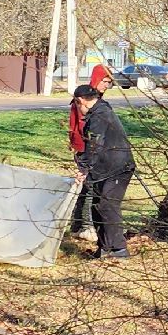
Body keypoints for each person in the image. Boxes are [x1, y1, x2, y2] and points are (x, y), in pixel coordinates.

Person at [73, 83, 135, 260]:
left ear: (81, 101)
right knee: (97, 205)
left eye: (76, 104)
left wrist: (84, 167)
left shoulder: (100, 115)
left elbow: (95, 145)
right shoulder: (97, 112)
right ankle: (104, 247)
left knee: (108, 205)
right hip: (104, 168)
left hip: (118, 168)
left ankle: (119, 249)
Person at [65, 63, 117, 242]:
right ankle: (86, 226)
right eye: (104, 81)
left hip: (96, 149)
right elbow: (80, 126)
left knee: (87, 187)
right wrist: (84, 151)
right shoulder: (84, 99)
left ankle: (77, 225)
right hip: (86, 149)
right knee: (90, 188)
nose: (106, 85)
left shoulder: (99, 100)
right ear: (96, 78)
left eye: (109, 82)